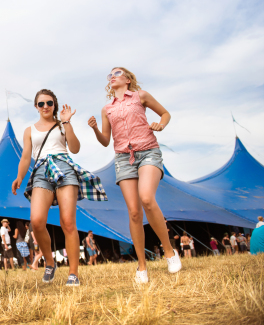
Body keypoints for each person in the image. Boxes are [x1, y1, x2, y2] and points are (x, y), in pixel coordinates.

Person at [88, 67, 182, 284]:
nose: (112, 77)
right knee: (133, 212)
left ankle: (169, 252)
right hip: (123, 158)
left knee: (147, 198)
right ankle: (142, 265)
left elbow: (165, 113)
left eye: (117, 73)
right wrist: (94, 129)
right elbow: (105, 140)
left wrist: (161, 124)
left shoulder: (141, 96)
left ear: (128, 80)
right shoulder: (107, 109)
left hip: (148, 151)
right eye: (109, 75)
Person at [12, 89, 106, 286]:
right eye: (41, 103)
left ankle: (73, 273)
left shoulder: (62, 125)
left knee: (68, 222)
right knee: (36, 221)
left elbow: (75, 148)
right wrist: (19, 177)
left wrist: (67, 122)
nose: (45, 106)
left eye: (49, 103)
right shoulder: (29, 130)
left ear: (54, 105)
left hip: (64, 168)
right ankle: (49, 262)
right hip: (41, 172)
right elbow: (26, 156)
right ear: (36, 106)